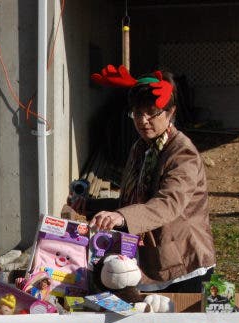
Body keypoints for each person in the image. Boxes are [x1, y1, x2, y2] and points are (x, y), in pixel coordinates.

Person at [88, 70, 215, 294]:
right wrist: (91, 207)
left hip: (182, 260)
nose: (143, 121)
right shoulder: (140, 148)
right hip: (151, 257)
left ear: (170, 112)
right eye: (137, 113)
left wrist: (122, 216)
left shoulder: (182, 154)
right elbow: (132, 199)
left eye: (152, 113)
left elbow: (168, 204)